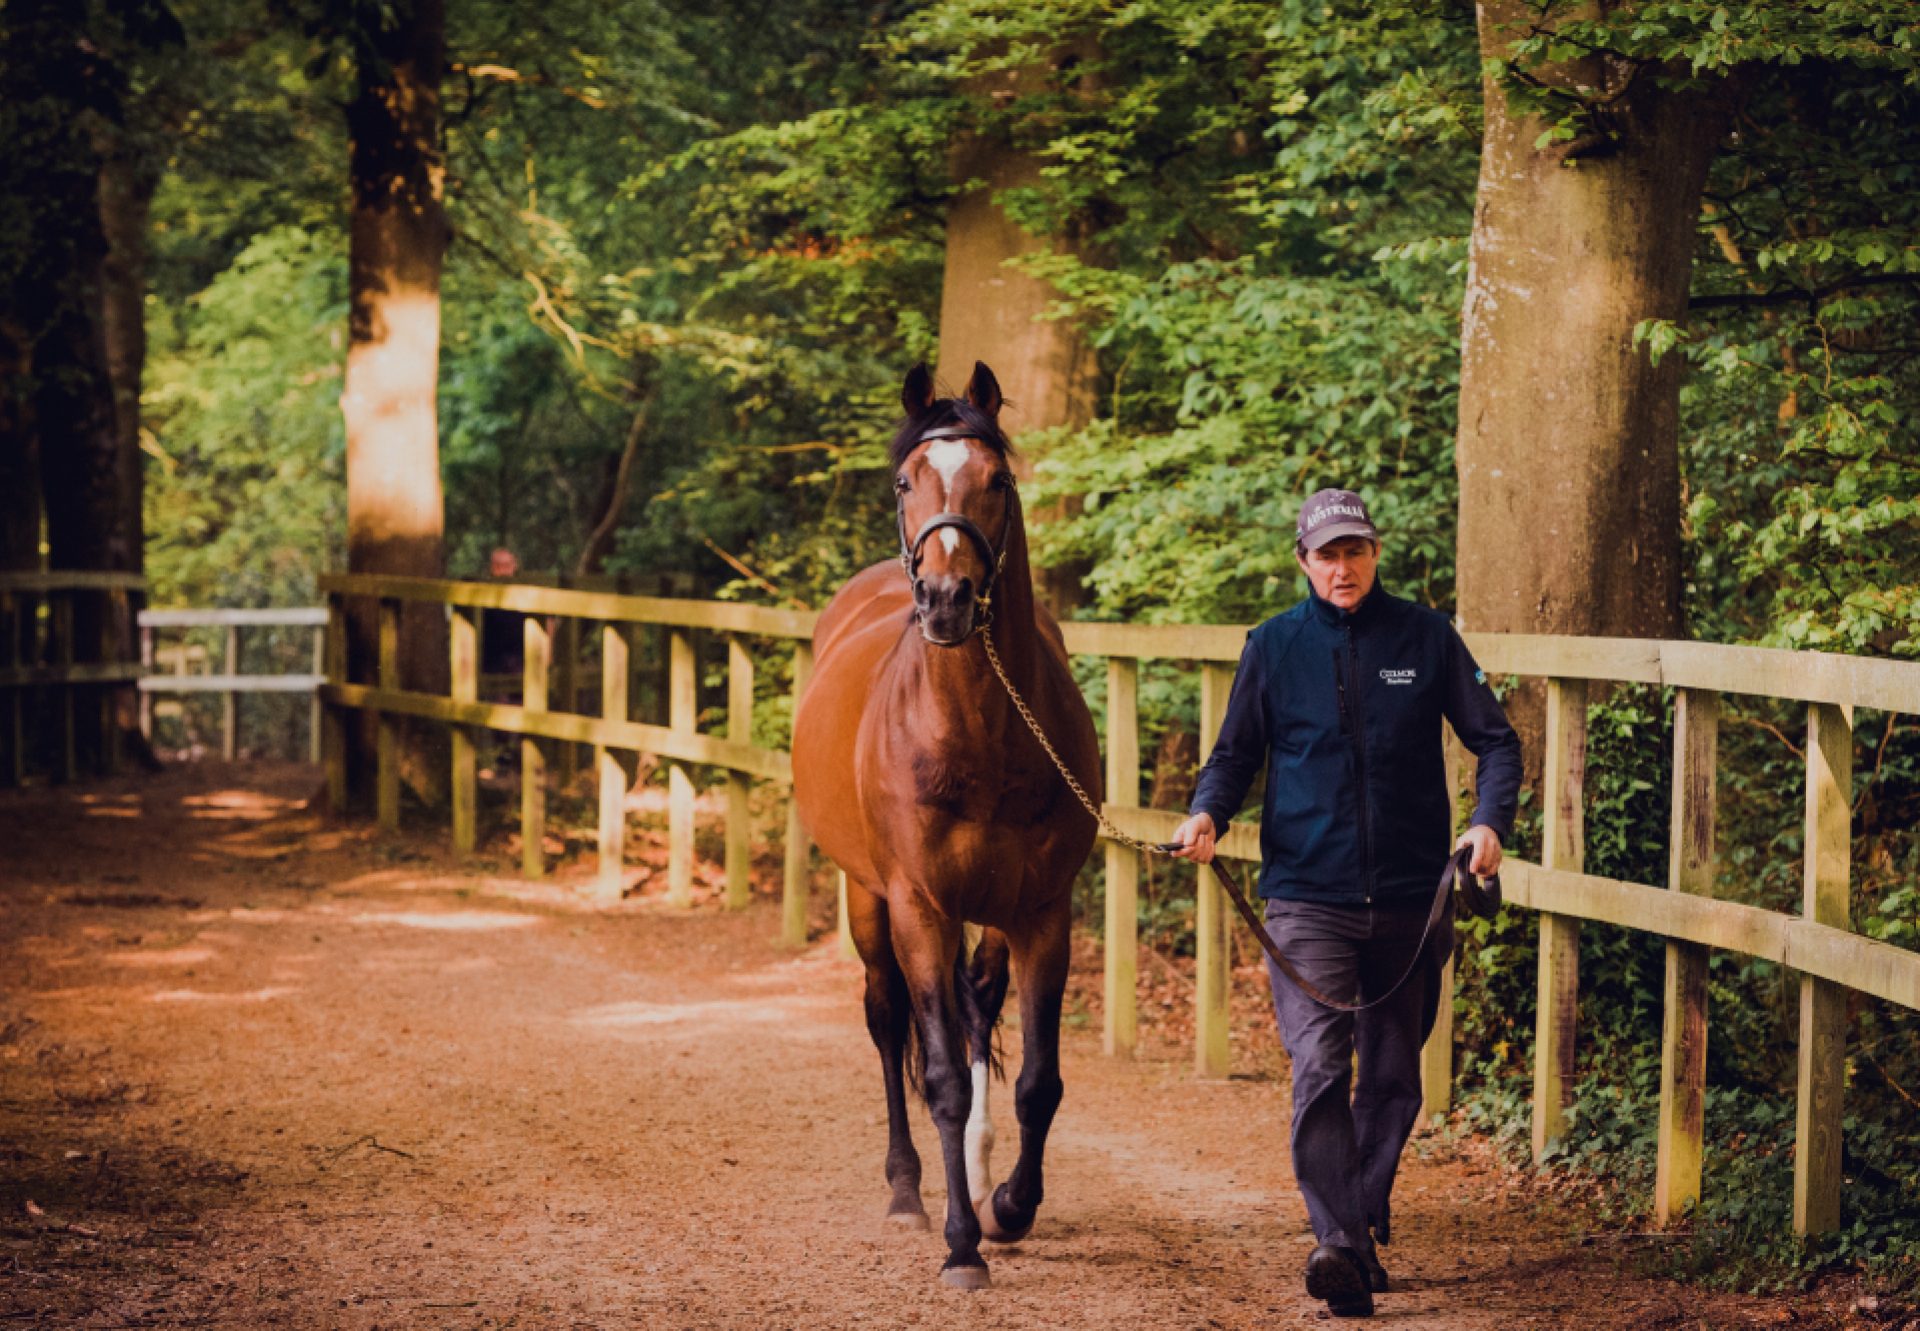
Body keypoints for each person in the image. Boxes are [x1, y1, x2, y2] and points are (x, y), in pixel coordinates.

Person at [1170, 487, 1521, 1319]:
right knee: (1322, 1065)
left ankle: (1357, 1219)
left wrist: (1487, 823)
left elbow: (1497, 741)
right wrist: (1208, 811)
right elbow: (1234, 754)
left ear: (1375, 553)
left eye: (1354, 551)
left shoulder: (1427, 637)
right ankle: (1336, 1241)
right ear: (1302, 561)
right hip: (1306, 898)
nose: (1341, 567)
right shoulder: (1273, 646)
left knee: (1394, 1077)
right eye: (1325, 554)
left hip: (1413, 899)